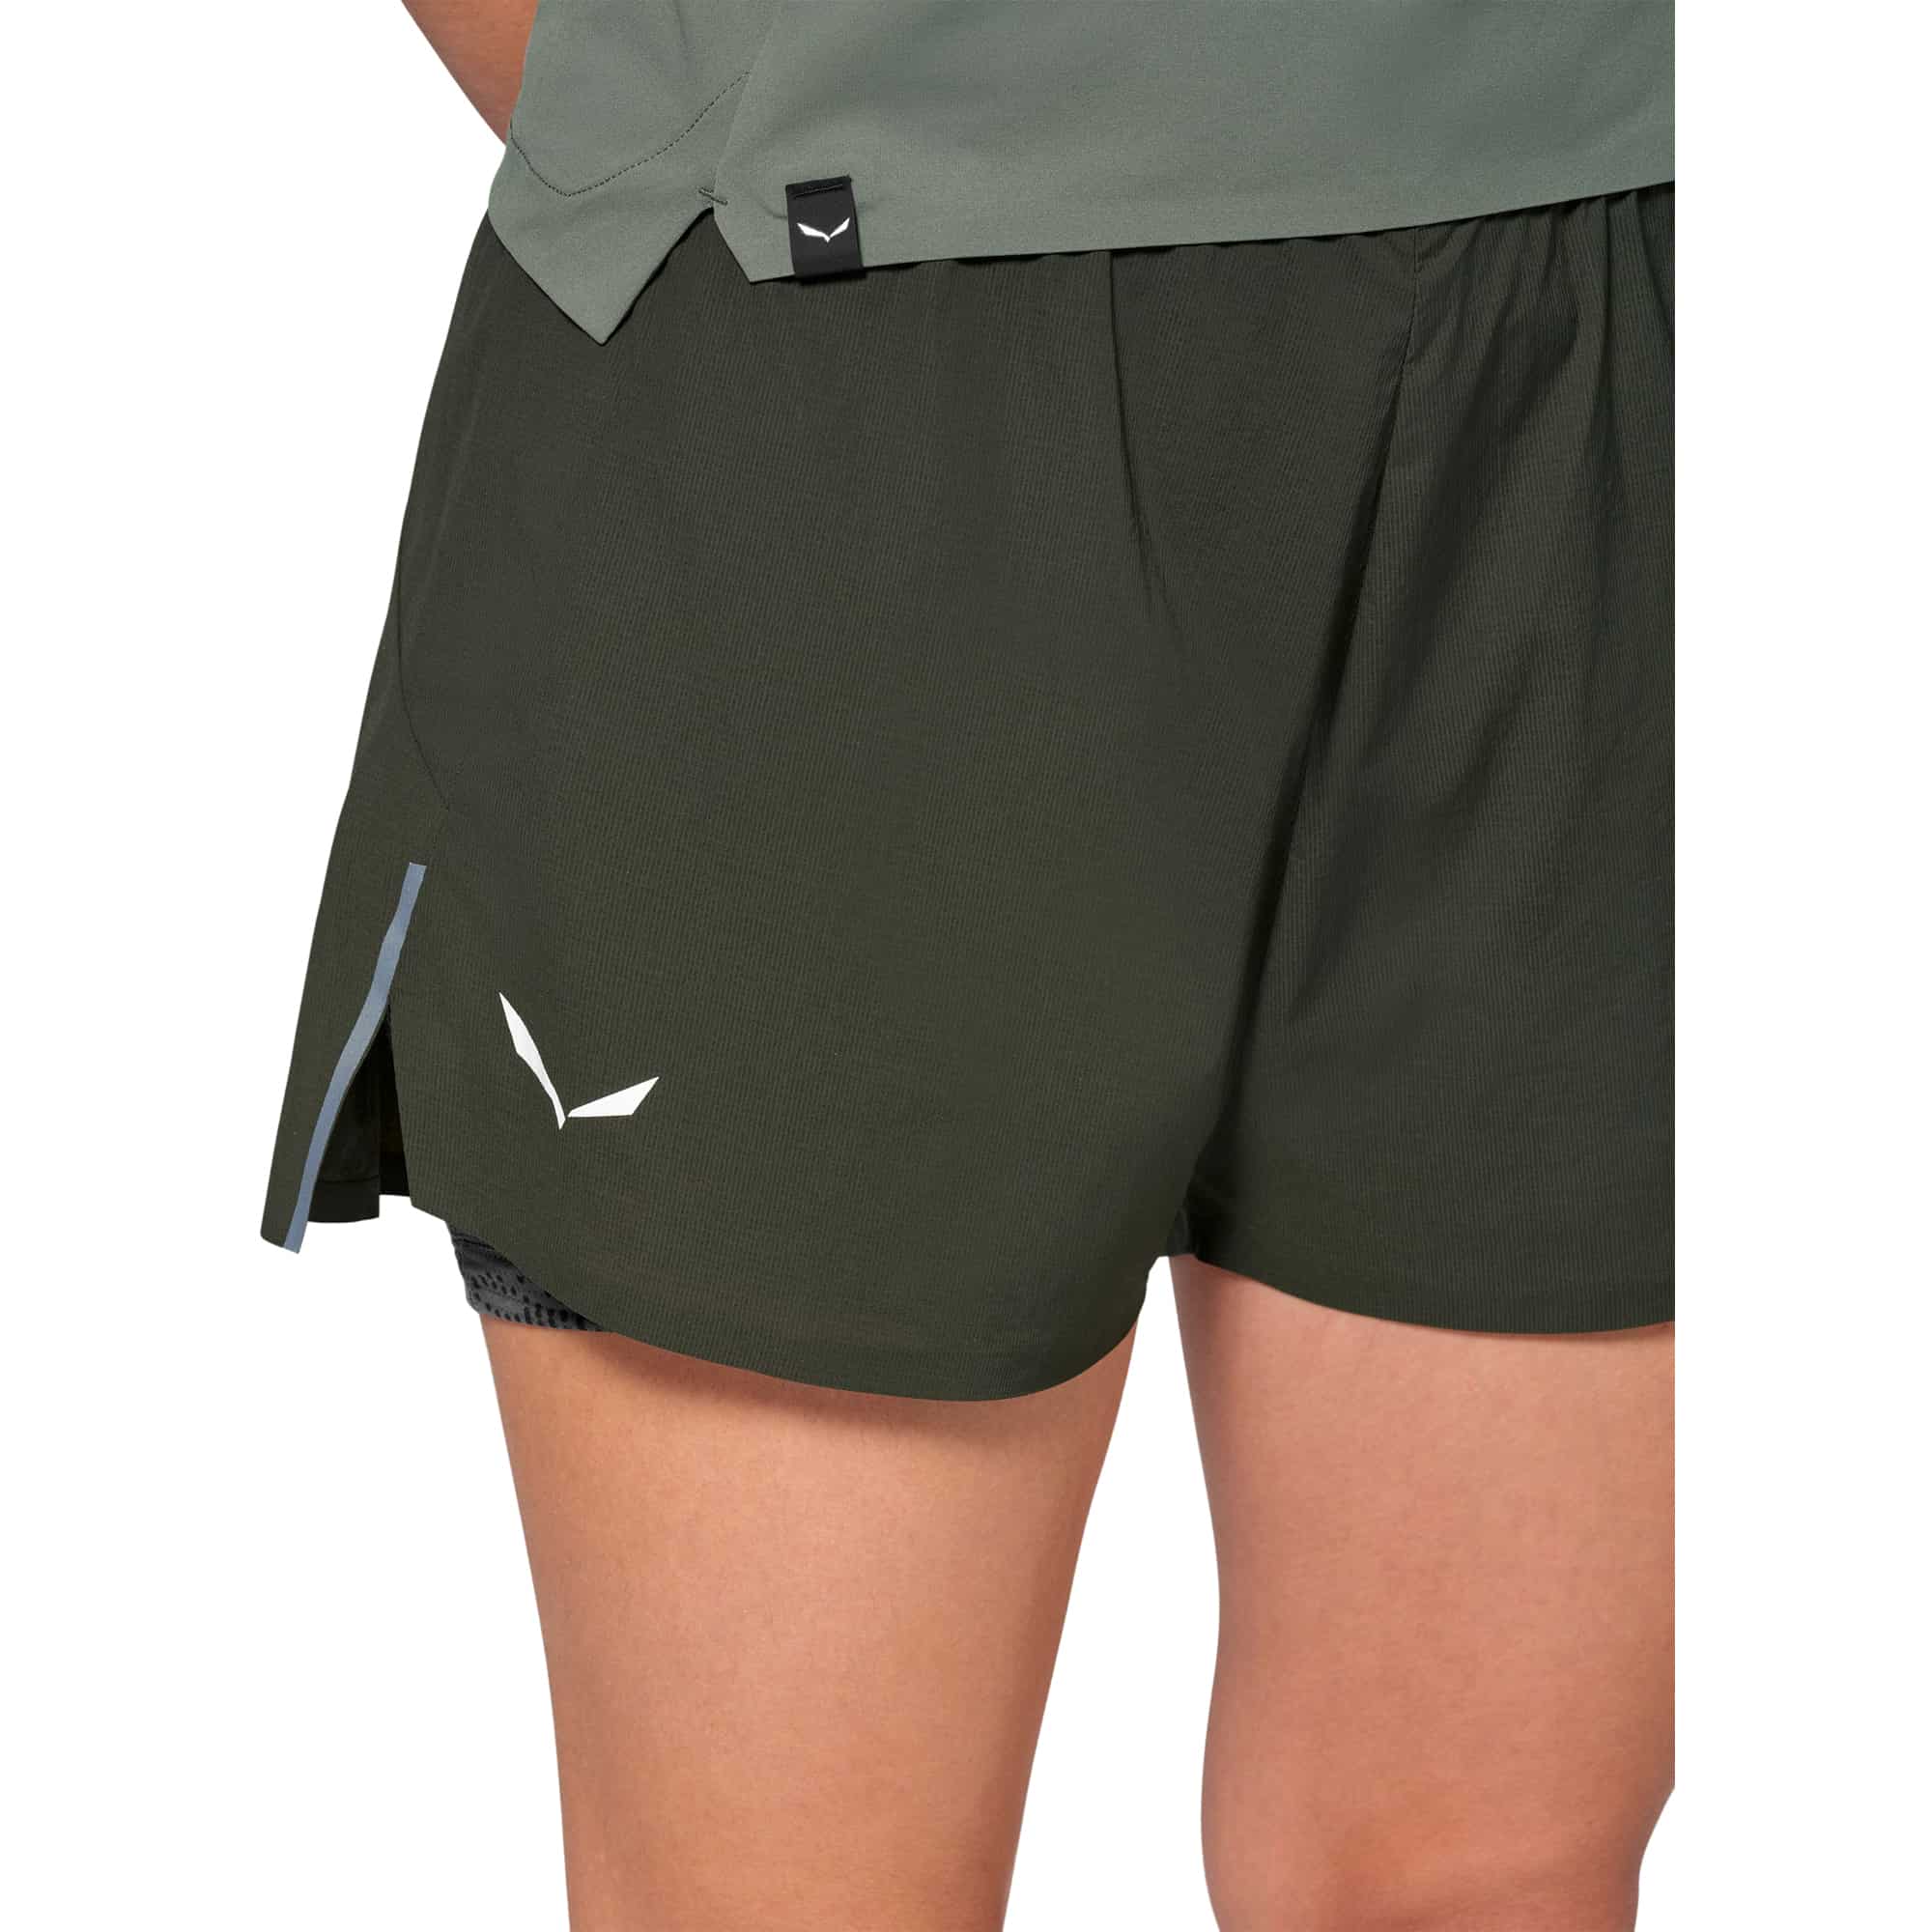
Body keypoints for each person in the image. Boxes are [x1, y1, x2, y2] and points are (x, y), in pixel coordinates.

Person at [263, 4, 1675, 1925]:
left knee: (1476, 1873)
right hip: (851, 353)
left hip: (1591, 304)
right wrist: (688, 99)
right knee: (789, 1893)